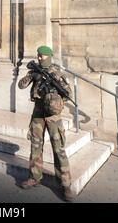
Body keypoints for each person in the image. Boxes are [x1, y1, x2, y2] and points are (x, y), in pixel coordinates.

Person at [18, 45, 75, 202]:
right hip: (37, 113)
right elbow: (21, 85)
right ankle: (34, 177)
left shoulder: (56, 72)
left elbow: (68, 93)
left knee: (59, 149)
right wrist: (32, 76)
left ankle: (66, 184)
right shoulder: (35, 70)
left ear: (48, 56)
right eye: (38, 55)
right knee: (36, 145)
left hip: (52, 116)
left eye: (42, 56)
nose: (39, 58)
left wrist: (54, 102)